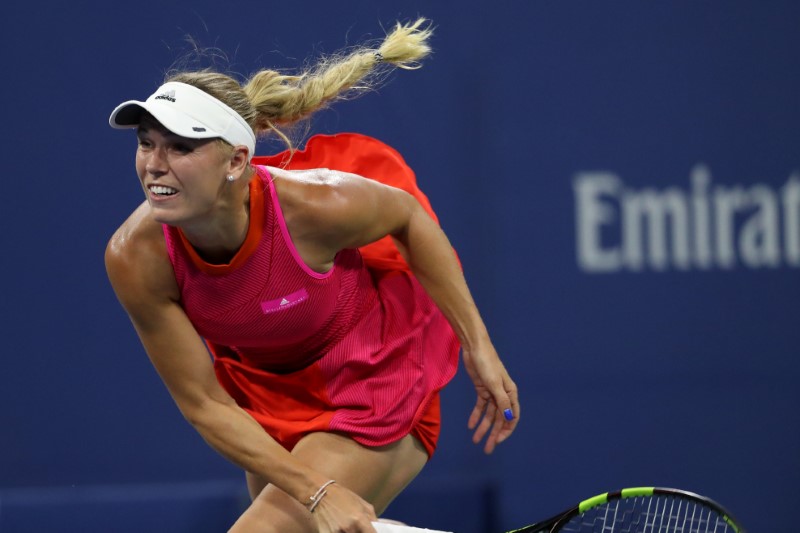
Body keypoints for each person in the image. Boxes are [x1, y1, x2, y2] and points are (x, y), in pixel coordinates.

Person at [105, 18, 519, 533]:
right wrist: (318, 491)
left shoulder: (314, 206)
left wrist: (477, 345)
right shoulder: (135, 256)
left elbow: (409, 218)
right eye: (146, 143)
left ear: (236, 160)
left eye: (181, 148)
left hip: (372, 376)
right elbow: (206, 404)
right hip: (268, 396)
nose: (154, 165)